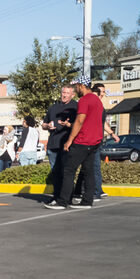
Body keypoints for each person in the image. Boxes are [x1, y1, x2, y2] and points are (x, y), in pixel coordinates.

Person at [46, 75, 104, 210]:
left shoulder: (84, 100)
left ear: (81, 86)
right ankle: (87, 201)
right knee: (88, 171)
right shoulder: (97, 100)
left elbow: (79, 121)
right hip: (95, 141)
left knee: (68, 169)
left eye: (76, 86)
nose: (75, 88)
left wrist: (69, 140)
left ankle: (62, 201)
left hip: (82, 141)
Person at [73, 83, 120, 202]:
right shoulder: (90, 102)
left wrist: (111, 133)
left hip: (95, 140)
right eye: (102, 91)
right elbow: (81, 120)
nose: (103, 94)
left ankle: (85, 191)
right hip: (88, 140)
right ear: (96, 91)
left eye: (104, 92)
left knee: (89, 167)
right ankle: (93, 191)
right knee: (91, 167)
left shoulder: (99, 105)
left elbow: (102, 122)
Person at [42, 85, 77, 200]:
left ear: (73, 95)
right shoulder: (53, 107)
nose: (64, 95)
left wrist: (69, 125)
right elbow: (43, 124)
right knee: (55, 172)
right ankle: (56, 197)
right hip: (53, 144)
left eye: (67, 93)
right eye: (63, 92)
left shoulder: (75, 107)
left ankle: (68, 197)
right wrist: (47, 126)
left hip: (67, 144)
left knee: (66, 171)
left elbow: (80, 125)